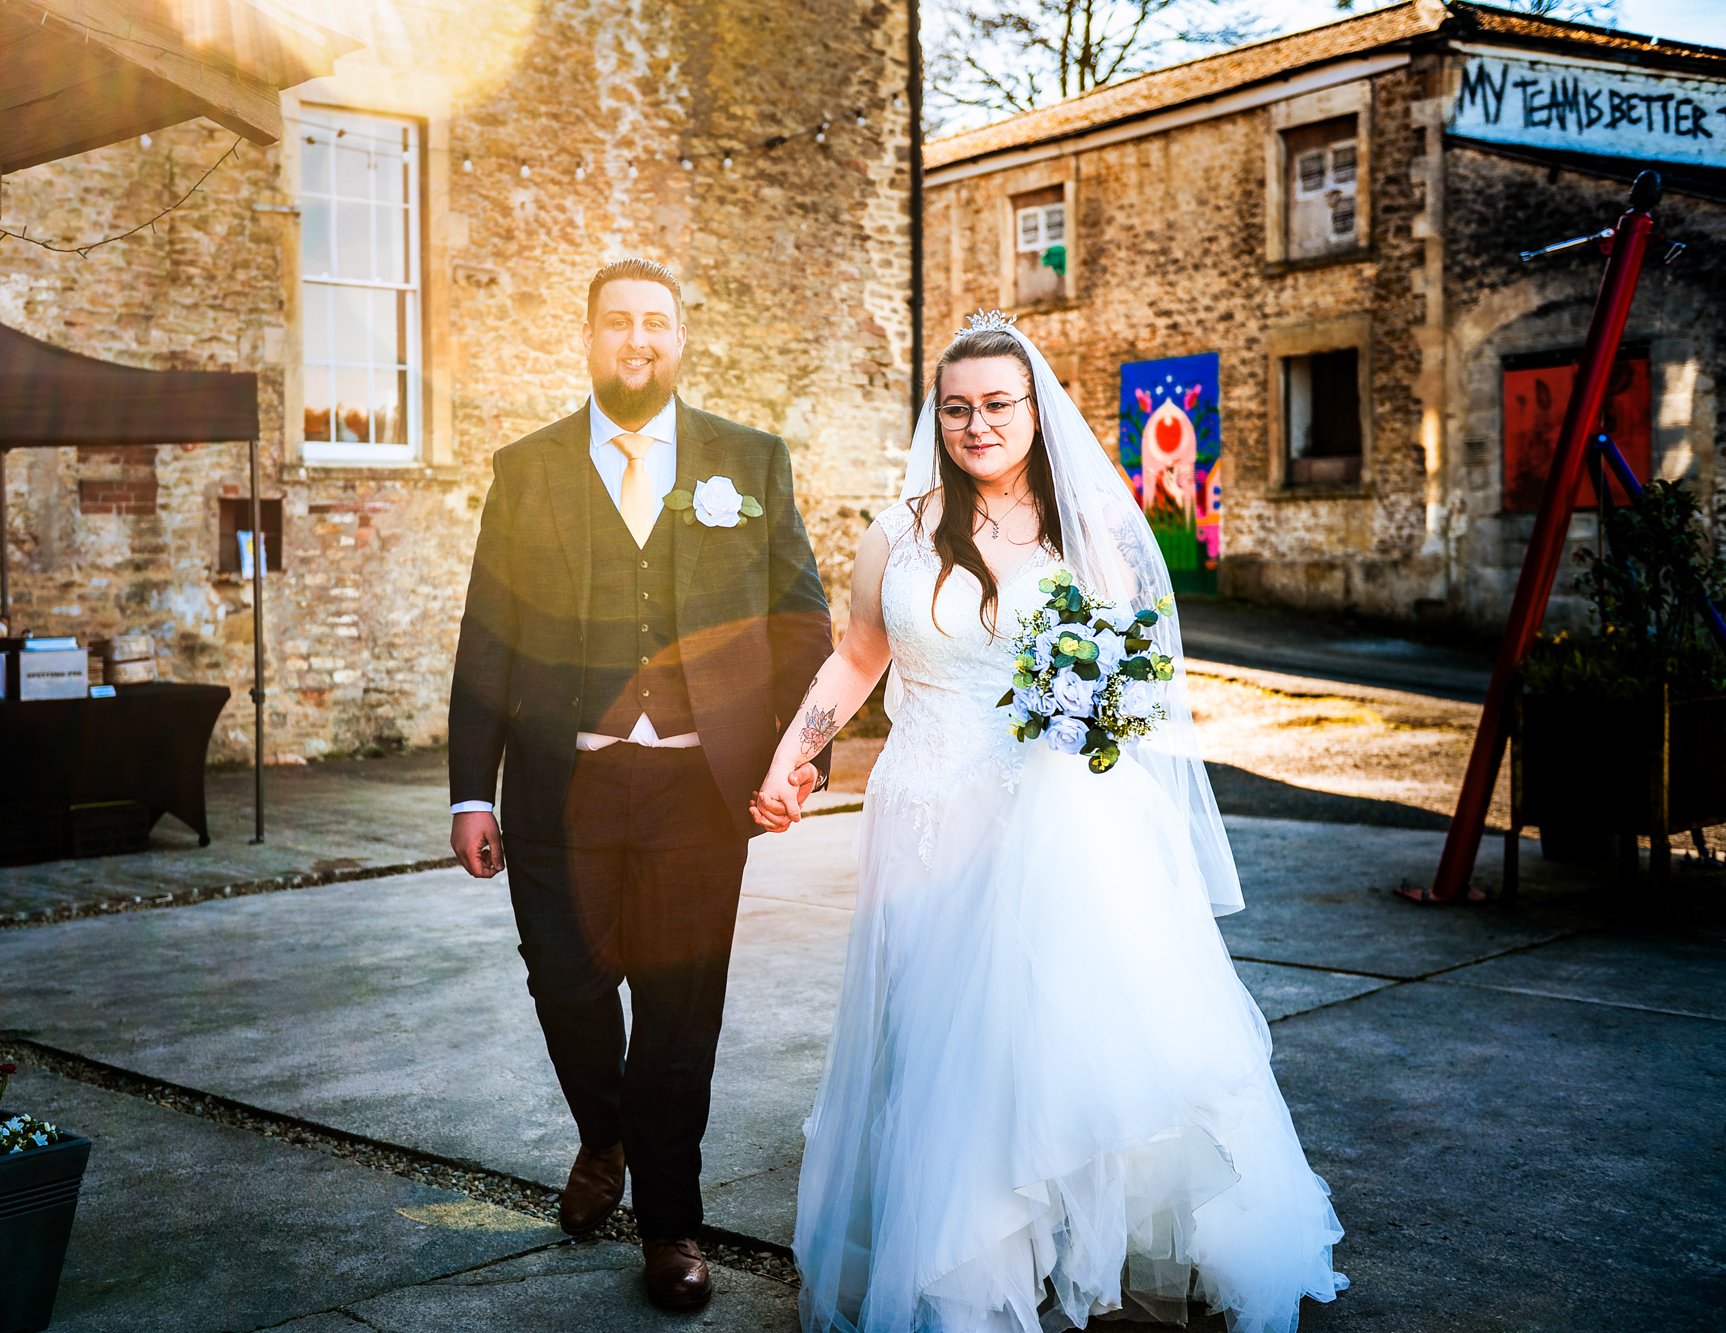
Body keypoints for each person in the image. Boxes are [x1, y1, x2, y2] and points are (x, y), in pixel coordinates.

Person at [753, 314, 1347, 1333]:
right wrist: (790, 751)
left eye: (996, 404)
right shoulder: (895, 531)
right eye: (956, 408)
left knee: (1041, 1035)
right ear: (933, 418)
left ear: (1033, 409)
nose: (975, 424)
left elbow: (1129, 674)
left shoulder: (1089, 534)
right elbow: (858, 653)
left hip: (1047, 819)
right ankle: (961, 1249)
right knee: (932, 1038)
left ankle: (1051, 1248)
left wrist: (1087, 729)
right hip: (919, 812)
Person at [448, 257, 833, 1310]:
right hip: (553, 784)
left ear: (678, 338)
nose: (638, 339)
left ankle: (669, 1224)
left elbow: (800, 621)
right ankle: (602, 1134)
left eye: (656, 322)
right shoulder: (525, 469)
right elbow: (487, 636)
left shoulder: (747, 459)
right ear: (586, 338)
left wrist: (798, 753)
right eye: (617, 322)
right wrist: (467, 791)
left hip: (693, 790)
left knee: (677, 1011)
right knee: (564, 985)